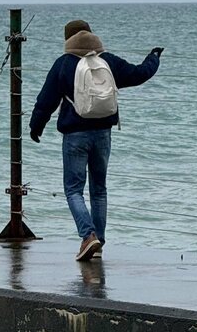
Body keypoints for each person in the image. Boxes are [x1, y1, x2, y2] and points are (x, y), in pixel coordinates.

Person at [29, 20, 163, 261]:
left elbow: (45, 101)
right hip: (103, 133)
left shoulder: (64, 64)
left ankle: (88, 236)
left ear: (68, 39)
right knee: (99, 190)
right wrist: (153, 58)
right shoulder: (107, 61)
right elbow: (139, 74)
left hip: (75, 136)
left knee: (73, 190)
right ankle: (98, 242)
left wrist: (36, 127)